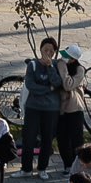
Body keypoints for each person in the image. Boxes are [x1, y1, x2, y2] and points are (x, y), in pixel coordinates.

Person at [20, 35, 63, 174]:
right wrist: (48, 89)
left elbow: (57, 82)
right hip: (33, 107)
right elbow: (31, 85)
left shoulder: (56, 65)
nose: (48, 53)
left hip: (51, 109)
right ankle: (26, 168)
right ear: (40, 49)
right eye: (46, 50)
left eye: (51, 51)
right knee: (29, 138)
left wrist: (50, 66)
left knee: (47, 139)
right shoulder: (33, 64)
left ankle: (42, 168)